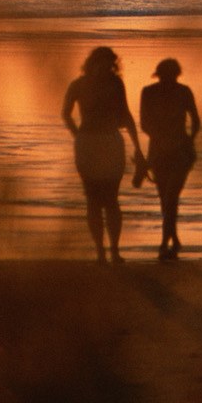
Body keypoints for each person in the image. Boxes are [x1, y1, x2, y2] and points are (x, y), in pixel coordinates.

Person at [61, 46, 143, 263]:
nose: (105, 68)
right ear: (92, 63)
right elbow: (66, 114)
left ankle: (114, 250)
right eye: (101, 64)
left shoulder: (116, 84)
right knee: (93, 199)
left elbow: (125, 114)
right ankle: (100, 250)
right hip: (88, 143)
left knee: (111, 199)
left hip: (109, 141)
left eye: (109, 65)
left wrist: (137, 147)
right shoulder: (78, 85)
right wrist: (77, 135)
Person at [138, 57, 201, 261]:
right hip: (168, 150)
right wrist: (186, 140)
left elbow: (145, 124)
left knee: (169, 198)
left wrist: (183, 140)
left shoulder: (172, 92)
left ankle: (166, 242)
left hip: (170, 151)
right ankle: (172, 240)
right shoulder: (172, 91)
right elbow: (196, 122)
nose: (167, 80)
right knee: (167, 198)